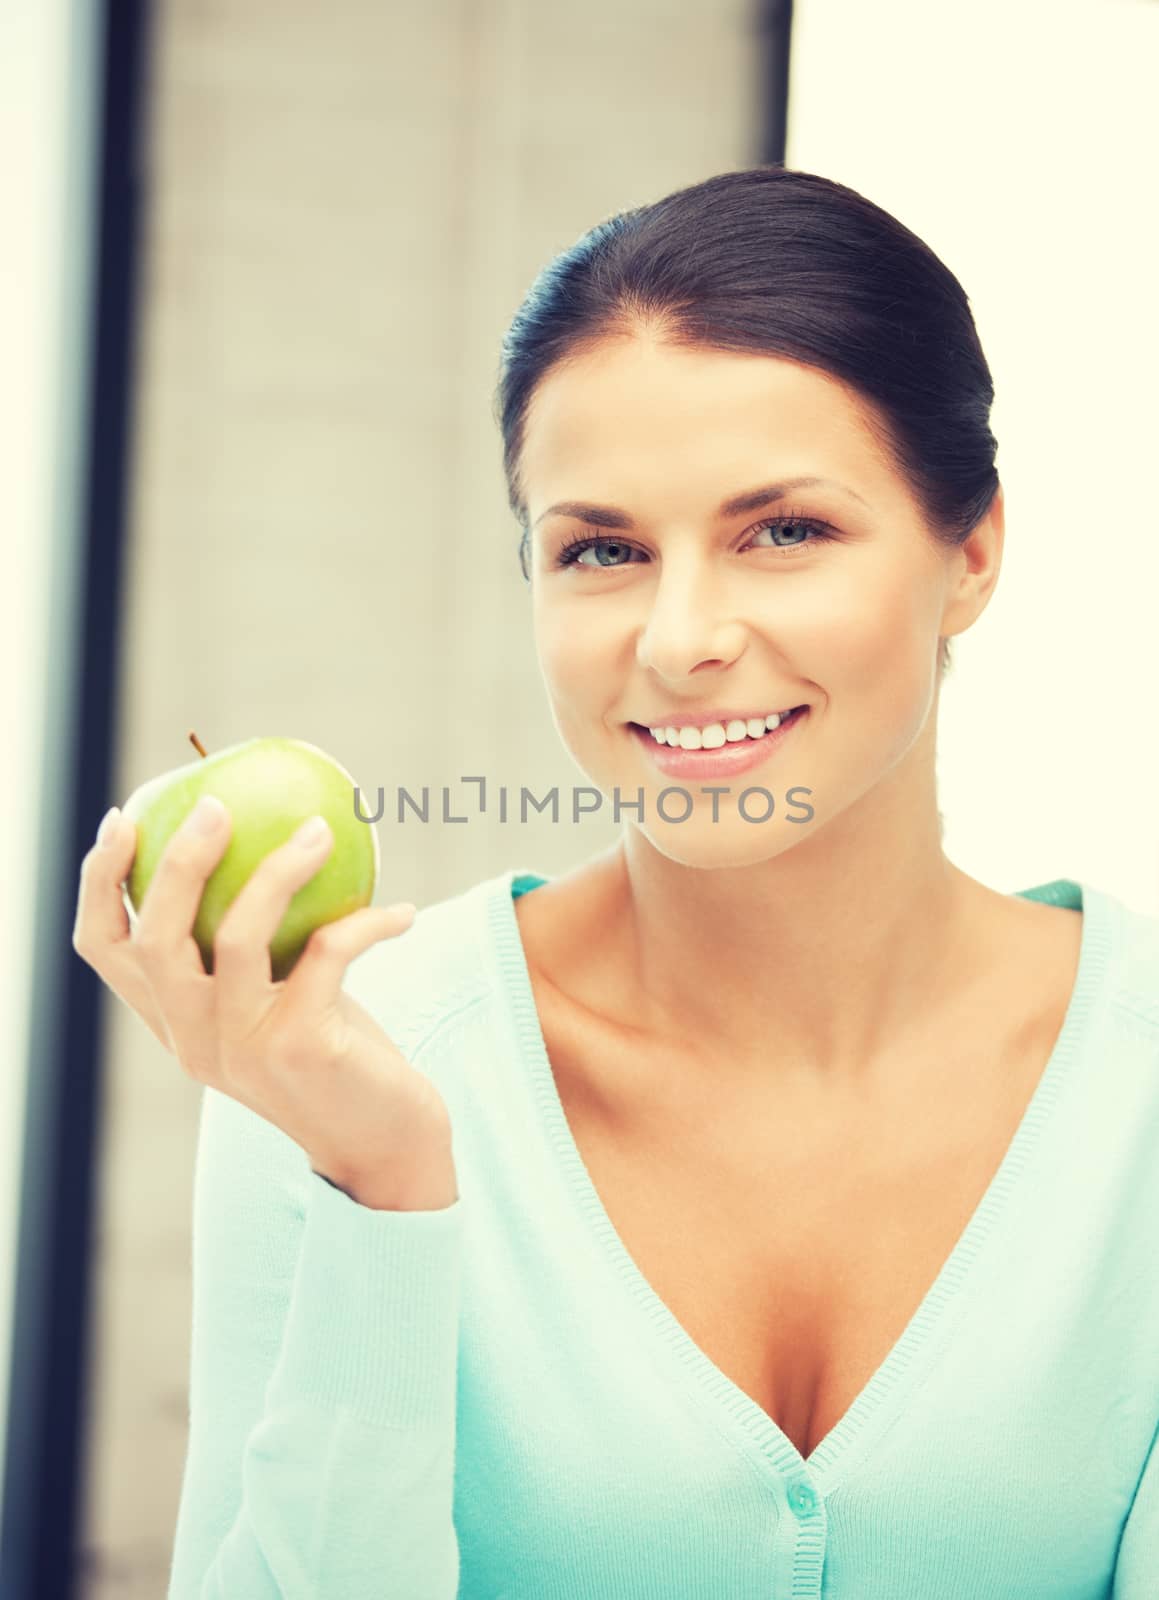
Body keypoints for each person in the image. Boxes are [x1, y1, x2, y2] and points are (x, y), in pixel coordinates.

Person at [74, 165, 1159, 1598]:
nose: (680, 636)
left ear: (971, 552)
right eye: (602, 549)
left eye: (784, 531)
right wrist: (382, 1191)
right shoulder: (342, 1064)